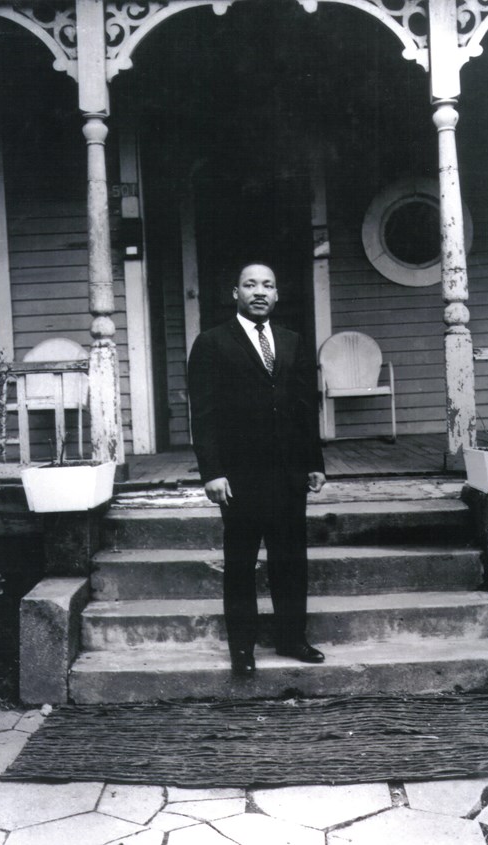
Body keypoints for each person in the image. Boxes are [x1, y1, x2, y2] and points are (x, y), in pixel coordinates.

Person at [187, 263, 326, 677]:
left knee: (290, 560)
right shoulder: (212, 343)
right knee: (241, 563)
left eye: (268, 284)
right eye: (250, 284)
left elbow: (305, 408)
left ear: (277, 294)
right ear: (236, 292)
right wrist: (212, 472)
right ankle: (243, 650)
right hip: (239, 477)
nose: (259, 291)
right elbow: (205, 415)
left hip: (287, 474)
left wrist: (314, 463)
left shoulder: (292, 341)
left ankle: (291, 638)